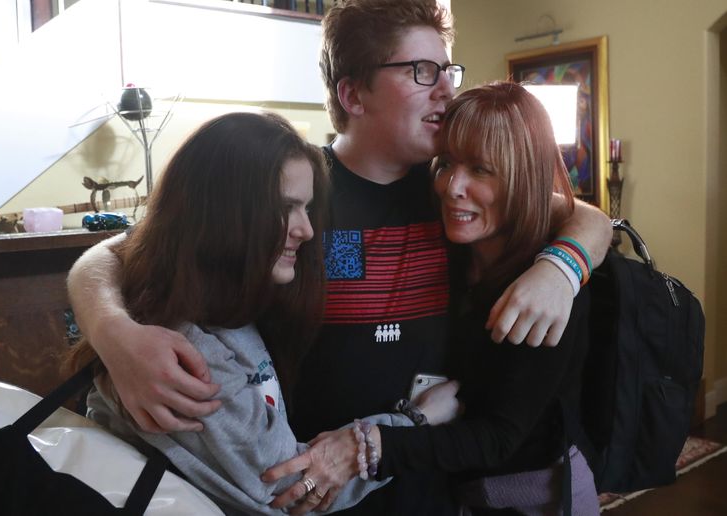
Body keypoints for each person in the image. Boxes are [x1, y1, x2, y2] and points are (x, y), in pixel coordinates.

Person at [66, 0, 613, 513]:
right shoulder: (296, 185)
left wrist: (561, 268)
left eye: (449, 70)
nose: (446, 91)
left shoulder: (453, 189)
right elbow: (121, 252)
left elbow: (584, 216)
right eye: (423, 71)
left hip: (426, 480)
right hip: (309, 486)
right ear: (354, 96)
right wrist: (113, 333)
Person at [68, 112, 439, 515]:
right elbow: (288, 489)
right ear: (222, 212)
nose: (307, 230)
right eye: (286, 208)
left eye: (307, 209)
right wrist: (416, 421)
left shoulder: (214, 297)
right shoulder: (184, 351)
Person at [264, 81, 600, 515]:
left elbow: (497, 437)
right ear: (353, 95)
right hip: (418, 489)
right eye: (446, 164)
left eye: (480, 169)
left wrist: (562, 267)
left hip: (529, 498)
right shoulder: (440, 239)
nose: (451, 186)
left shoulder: (541, 286)